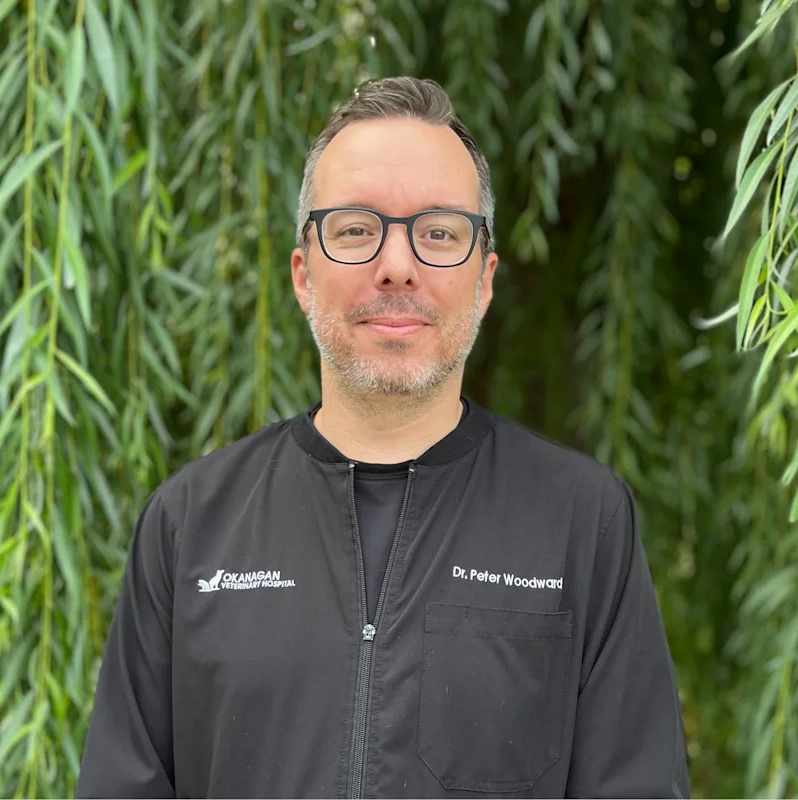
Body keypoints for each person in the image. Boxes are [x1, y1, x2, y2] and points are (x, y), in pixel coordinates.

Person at [76, 76, 690, 799]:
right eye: (357, 229)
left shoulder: (582, 521)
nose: (397, 265)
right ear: (304, 275)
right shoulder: (190, 524)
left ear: (485, 280)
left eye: (437, 232)